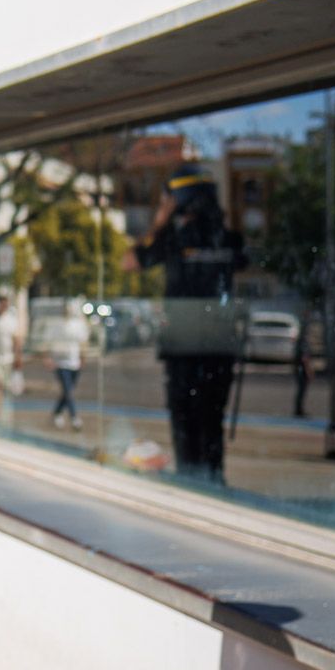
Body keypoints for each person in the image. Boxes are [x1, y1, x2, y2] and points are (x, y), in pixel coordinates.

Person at [124, 163, 248, 483]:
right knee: (211, 424)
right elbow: (243, 257)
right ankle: (214, 482)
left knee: (187, 425)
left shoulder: (174, 239)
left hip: (183, 348)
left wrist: (160, 221)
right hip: (218, 347)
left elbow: (130, 262)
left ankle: (192, 484)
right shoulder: (228, 239)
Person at [49, 303, 89, 431]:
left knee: (68, 390)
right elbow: (51, 342)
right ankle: (74, 418)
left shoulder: (77, 325)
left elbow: (83, 342)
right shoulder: (58, 325)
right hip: (61, 363)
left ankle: (57, 412)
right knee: (68, 390)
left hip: (74, 362)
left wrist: (83, 358)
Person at [0, 292, 24, 425]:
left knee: (6, 387)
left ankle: (5, 415)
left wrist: (17, 356)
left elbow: (16, 339)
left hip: (8, 359)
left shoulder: (10, 320)